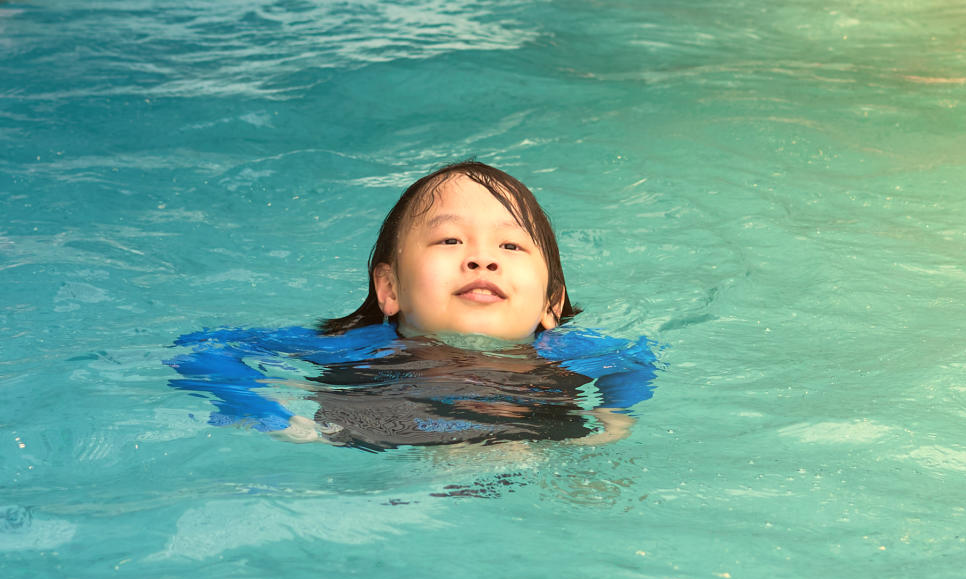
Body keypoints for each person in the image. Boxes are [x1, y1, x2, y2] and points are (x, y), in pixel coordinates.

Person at [168, 162, 658, 450]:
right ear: (390, 289)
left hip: (526, 434)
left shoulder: (569, 354)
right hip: (377, 439)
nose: (482, 258)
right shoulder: (354, 351)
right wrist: (269, 413)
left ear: (551, 302)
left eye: (510, 247)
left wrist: (616, 416)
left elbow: (636, 360)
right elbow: (208, 347)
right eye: (449, 239)